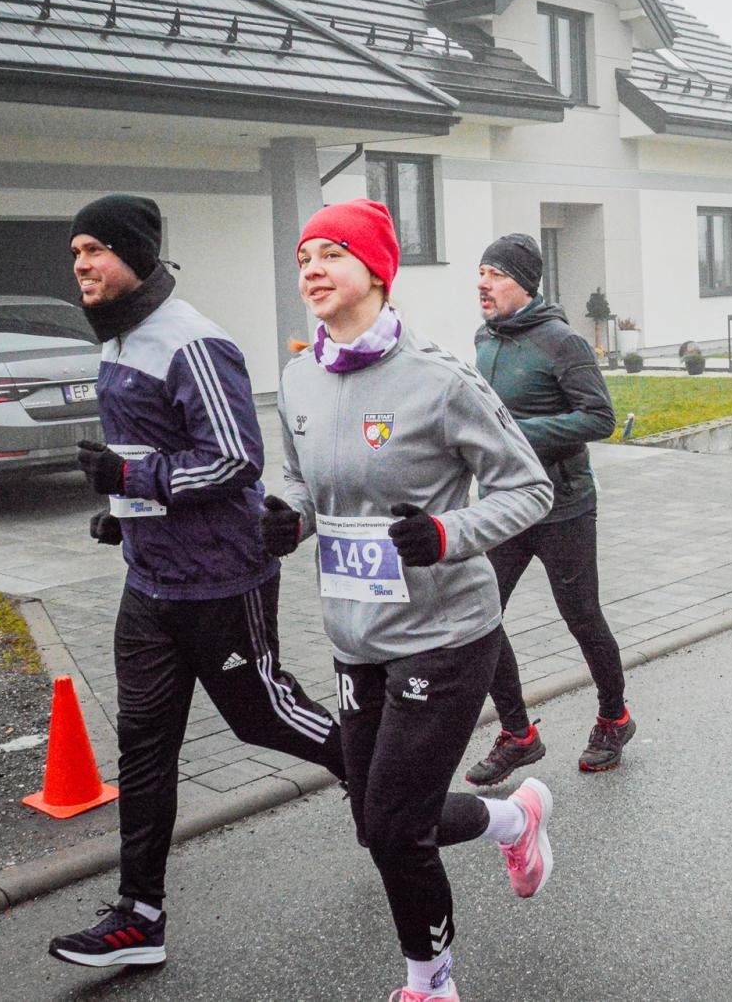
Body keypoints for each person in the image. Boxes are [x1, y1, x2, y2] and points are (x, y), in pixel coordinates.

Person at [263, 199, 556, 1002]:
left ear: (377, 270)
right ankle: (514, 820)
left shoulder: (439, 380)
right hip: (355, 634)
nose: (312, 269)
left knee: (395, 826)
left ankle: (431, 983)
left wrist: (448, 532)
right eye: (304, 257)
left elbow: (529, 487)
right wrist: (290, 518)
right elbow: (302, 484)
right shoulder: (298, 378)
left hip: (446, 633)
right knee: (378, 821)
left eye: (332, 253)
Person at [48, 195, 347, 969]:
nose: (81, 263)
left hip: (220, 578)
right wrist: (124, 512)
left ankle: (379, 779)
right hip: (149, 583)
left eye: (95, 249)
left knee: (265, 718)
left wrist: (130, 478)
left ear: (134, 255)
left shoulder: (193, 340)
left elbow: (235, 459)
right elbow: (149, 448)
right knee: (144, 745)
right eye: (76, 250)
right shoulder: (117, 337)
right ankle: (139, 915)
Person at [462, 233, 631, 785]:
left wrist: (517, 434)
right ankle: (518, 734)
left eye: (495, 274)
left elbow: (599, 417)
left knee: (581, 616)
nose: (483, 283)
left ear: (524, 284)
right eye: (481, 272)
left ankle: (614, 718)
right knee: (481, 616)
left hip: (564, 507)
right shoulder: (485, 340)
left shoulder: (563, 342)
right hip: (503, 506)